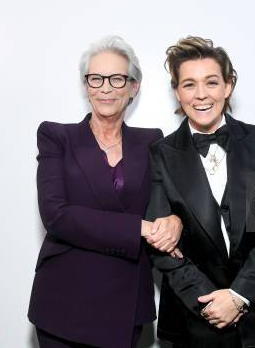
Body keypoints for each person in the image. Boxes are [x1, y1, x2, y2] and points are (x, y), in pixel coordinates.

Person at [28, 36, 183, 348]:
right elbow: (56, 216)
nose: (106, 88)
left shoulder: (152, 141)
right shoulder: (57, 136)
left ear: (133, 87)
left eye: (117, 79)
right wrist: (138, 227)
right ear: (86, 86)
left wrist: (175, 221)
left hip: (126, 302)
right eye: (96, 78)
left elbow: (165, 204)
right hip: (65, 302)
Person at [146, 37, 255, 348]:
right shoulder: (160, 154)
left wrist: (239, 295)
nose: (201, 94)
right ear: (177, 91)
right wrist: (209, 304)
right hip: (195, 319)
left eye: (212, 82)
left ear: (228, 86)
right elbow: (162, 246)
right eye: (189, 84)